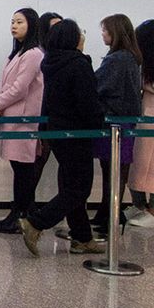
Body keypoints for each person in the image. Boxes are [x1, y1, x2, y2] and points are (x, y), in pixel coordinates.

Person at [21, 19, 107, 256]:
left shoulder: (51, 62)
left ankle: (82, 237)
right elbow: (87, 103)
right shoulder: (78, 63)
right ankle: (36, 222)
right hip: (78, 133)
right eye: (80, 33)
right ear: (73, 38)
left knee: (71, 185)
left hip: (57, 132)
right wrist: (99, 122)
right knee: (79, 188)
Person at [0, 8, 46, 234]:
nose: (14, 25)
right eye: (12, 21)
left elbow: (20, 88)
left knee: (24, 171)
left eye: (20, 22)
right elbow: (5, 83)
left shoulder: (34, 53)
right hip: (11, 117)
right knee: (19, 170)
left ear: (31, 25)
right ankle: (17, 213)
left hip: (24, 120)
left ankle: (22, 215)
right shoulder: (17, 53)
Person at [91, 13, 143, 236]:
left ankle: (111, 214)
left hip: (113, 122)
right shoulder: (130, 57)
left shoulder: (117, 59)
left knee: (113, 169)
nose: (102, 34)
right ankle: (108, 212)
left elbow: (98, 85)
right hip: (125, 122)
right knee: (115, 168)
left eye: (105, 30)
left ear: (115, 32)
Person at [127, 19, 154, 229]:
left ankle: (152, 210)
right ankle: (140, 206)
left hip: (149, 120)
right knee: (138, 165)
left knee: (150, 167)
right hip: (143, 120)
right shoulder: (142, 64)